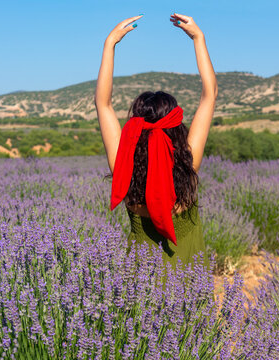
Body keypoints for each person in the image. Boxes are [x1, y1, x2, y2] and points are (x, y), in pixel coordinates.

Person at [95, 13, 217, 270]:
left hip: (138, 282)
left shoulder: (123, 168)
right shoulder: (187, 162)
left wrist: (110, 44)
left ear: (135, 127)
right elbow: (210, 95)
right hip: (190, 279)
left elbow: (103, 104)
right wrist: (198, 38)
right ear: (175, 127)